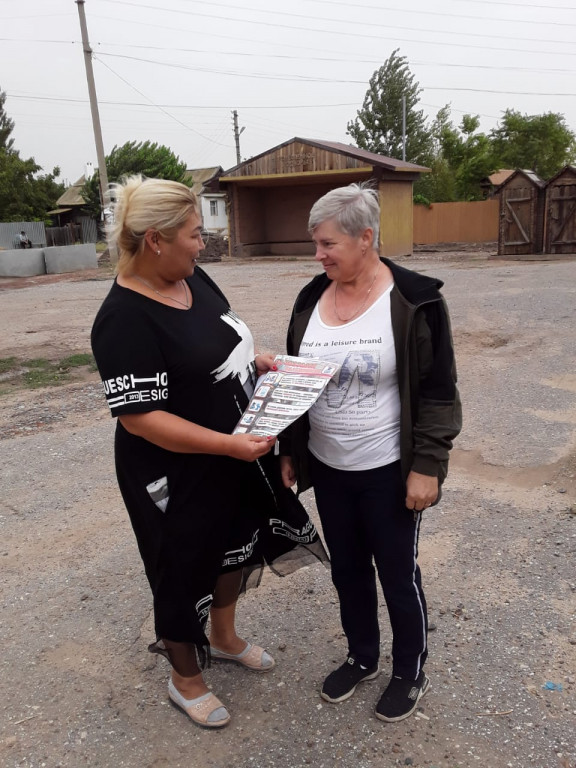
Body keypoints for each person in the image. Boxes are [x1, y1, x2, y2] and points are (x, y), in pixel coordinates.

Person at [91, 176, 327, 729]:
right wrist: (228, 445)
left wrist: (256, 359)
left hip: (233, 454)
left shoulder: (191, 276)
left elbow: (219, 341)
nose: (204, 243)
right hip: (175, 470)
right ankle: (186, 680)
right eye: (195, 234)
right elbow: (140, 418)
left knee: (236, 546)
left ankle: (223, 638)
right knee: (181, 567)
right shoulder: (124, 318)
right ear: (156, 240)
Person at [280, 183, 462, 723]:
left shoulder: (415, 300)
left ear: (365, 238)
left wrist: (427, 465)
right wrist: (291, 449)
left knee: (397, 575)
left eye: (327, 244)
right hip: (329, 466)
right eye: (315, 244)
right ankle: (362, 656)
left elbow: (439, 391)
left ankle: (409, 670)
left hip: (388, 469)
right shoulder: (310, 299)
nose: (318, 255)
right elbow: (297, 380)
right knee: (348, 571)